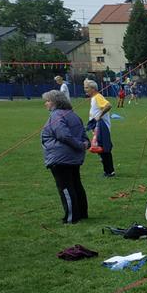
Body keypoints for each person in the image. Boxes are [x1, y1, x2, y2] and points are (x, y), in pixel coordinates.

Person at [41, 89, 88, 224]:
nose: (46, 104)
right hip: (72, 157)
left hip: (61, 158)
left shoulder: (56, 115)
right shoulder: (73, 115)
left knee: (66, 187)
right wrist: (85, 143)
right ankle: (82, 213)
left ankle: (71, 217)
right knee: (76, 185)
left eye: (48, 101)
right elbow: (83, 134)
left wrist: (80, 145)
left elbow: (63, 135)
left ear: (55, 102)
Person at [83, 79, 115, 178]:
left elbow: (108, 105)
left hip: (102, 127)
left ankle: (109, 171)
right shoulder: (94, 98)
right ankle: (107, 170)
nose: (85, 89)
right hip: (97, 128)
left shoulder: (98, 97)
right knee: (100, 149)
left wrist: (99, 116)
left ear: (93, 89)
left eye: (87, 88)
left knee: (104, 149)